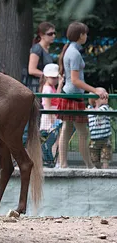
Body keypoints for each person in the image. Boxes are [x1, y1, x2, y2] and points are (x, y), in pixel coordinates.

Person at [57, 21, 108, 169]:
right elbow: (75, 80)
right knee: (82, 132)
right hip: (73, 95)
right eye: (85, 33)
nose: (86, 36)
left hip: (70, 94)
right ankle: (88, 165)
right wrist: (95, 90)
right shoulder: (74, 53)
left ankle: (65, 164)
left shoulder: (70, 51)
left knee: (67, 129)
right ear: (80, 35)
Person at [39, 63, 63, 167]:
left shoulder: (52, 87)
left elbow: (56, 99)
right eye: (52, 78)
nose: (54, 80)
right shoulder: (47, 89)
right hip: (50, 118)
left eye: (56, 78)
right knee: (51, 140)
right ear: (46, 77)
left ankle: (54, 161)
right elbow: (48, 107)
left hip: (54, 116)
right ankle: (51, 161)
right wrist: (53, 121)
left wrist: (60, 85)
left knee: (56, 139)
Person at [26, 22, 56, 92]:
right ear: (42, 35)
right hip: (36, 86)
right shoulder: (37, 48)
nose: (53, 36)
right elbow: (31, 70)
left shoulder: (46, 49)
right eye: (50, 34)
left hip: (45, 85)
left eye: (54, 33)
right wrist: (49, 76)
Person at [87, 88, 112, 169]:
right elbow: (93, 112)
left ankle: (105, 173)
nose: (106, 98)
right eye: (103, 96)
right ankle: (97, 172)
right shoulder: (90, 109)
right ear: (96, 100)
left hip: (105, 140)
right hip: (94, 140)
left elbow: (100, 112)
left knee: (105, 158)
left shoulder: (106, 108)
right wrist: (97, 104)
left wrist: (100, 103)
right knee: (94, 160)